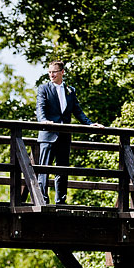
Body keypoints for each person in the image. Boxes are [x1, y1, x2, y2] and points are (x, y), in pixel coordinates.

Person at [36, 60, 103, 205]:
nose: (51, 75)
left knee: (62, 169)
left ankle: (60, 201)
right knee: (44, 169)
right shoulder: (43, 88)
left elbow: (77, 111)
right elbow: (40, 107)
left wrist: (90, 124)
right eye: (49, 72)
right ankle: (42, 200)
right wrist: (43, 120)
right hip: (48, 134)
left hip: (65, 135)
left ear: (62, 72)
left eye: (54, 72)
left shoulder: (70, 90)